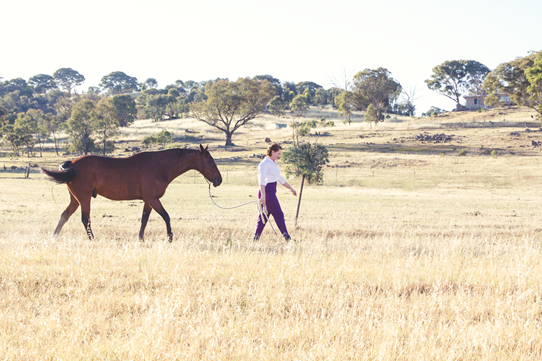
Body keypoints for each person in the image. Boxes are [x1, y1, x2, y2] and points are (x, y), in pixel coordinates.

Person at [254, 143, 297, 241]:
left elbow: (279, 178)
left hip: (271, 191)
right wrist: (263, 196)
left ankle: (255, 238)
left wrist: (290, 188)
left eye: (280, 154)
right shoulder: (264, 164)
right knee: (279, 214)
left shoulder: (273, 162)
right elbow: (262, 181)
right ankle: (287, 237)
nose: (279, 156)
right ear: (272, 152)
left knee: (264, 216)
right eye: (278, 153)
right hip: (266, 191)